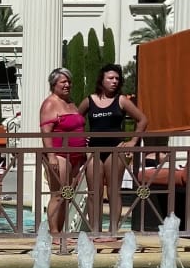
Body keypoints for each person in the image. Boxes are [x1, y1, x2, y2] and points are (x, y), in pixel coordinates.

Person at [78, 64, 147, 232]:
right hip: (94, 150)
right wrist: (81, 137)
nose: (114, 81)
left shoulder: (122, 100)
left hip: (115, 150)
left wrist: (132, 141)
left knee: (113, 191)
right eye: (110, 78)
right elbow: (76, 121)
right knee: (94, 192)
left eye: (117, 78)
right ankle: (95, 230)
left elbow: (142, 120)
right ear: (102, 80)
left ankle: (113, 230)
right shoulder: (89, 100)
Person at [39, 67, 87, 239]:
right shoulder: (50, 103)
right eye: (63, 82)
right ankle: (53, 233)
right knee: (58, 194)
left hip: (77, 156)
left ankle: (61, 232)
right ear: (54, 84)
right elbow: (46, 132)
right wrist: (51, 156)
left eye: (69, 81)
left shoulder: (71, 102)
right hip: (60, 154)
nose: (67, 85)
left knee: (68, 194)